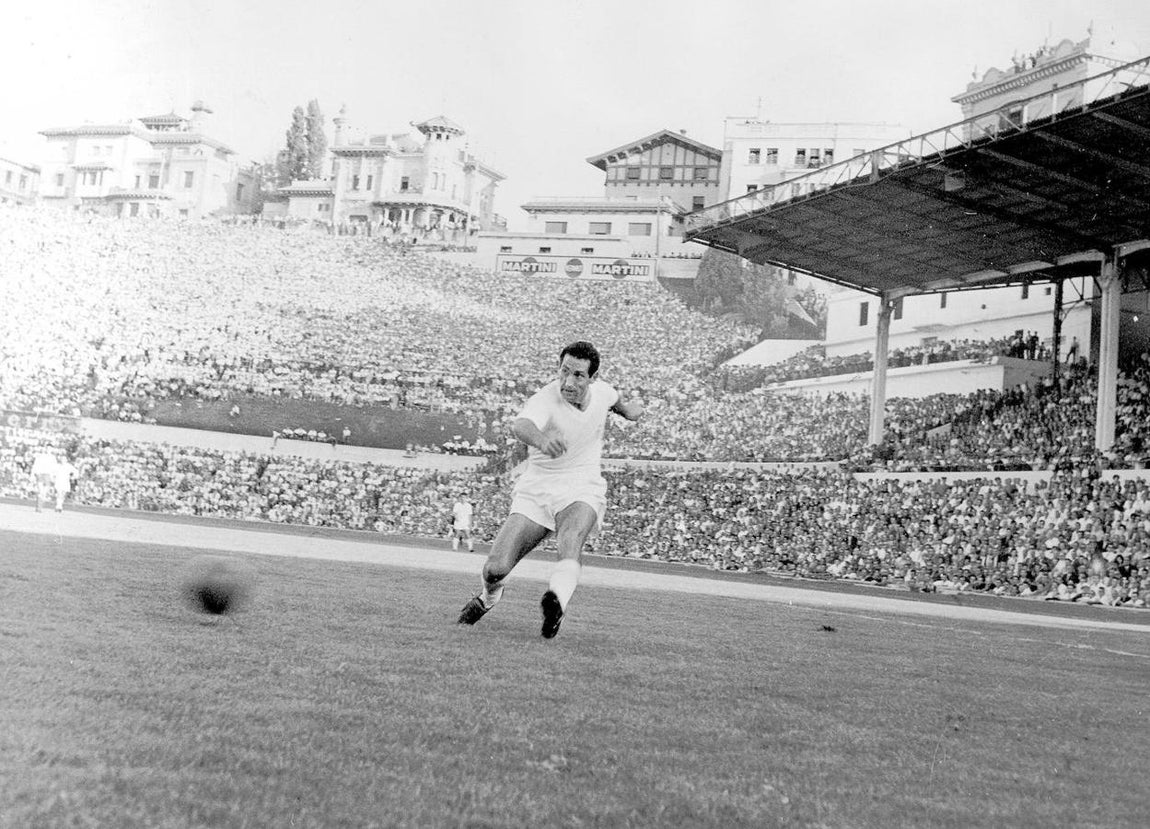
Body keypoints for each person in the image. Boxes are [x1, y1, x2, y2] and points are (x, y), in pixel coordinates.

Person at [457, 341, 644, 638]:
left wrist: (630, 411)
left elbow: (617, 403)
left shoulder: (603, 392)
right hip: (538, 489)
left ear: (592, 378)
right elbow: (521, 425)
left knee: (570, 539)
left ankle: (556, 602)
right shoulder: (546, 398)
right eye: (564, 371)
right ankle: (489, 597)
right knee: (495, 569)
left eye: (578, 375)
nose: (569, 381)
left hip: (582, 485)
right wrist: (543, 441)